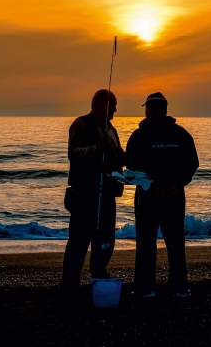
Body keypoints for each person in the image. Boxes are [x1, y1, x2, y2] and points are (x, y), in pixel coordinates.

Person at [125, 92, 199, 298]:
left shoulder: (139, 135)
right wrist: (178, 183)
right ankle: (180, 288)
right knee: (175, 241)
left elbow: (130, 163)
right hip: (174, 195)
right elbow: (192, 163)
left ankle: (146, 288)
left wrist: (154, 183)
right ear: (165, 110)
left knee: (146, 242)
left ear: (148, 110)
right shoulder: (181, 134)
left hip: (149, 195)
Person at [60, 89, 125, 297]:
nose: (115, 108)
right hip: (84, 195)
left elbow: (118, 156)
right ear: (99, 104)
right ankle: (70, 283)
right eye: (112, 104)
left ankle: (99, 274)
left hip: (106, 195)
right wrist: (95, 148)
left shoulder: (112, 130)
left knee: (106, 240)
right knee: (78, 241)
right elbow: (72, 153)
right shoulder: (81, 124)